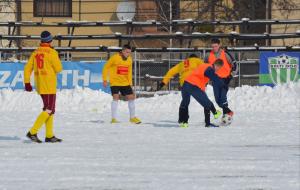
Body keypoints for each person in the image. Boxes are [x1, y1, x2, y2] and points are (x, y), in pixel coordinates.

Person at [24, 31, 63, 143]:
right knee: (49, 109)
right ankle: (32, 132)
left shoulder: (35, 52)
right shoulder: (52, 52)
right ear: (50, 41)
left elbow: (27, 68)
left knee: (49, 109)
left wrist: (27, 82)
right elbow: (59, 68)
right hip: (49, 84)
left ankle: (49, 135)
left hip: (40, 84)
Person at [179, 59, 226, 128]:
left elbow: (201, 78)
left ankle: (184, 123)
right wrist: (222, 83)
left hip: (186, 84)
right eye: (219, 69)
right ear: (217, 66)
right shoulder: (210, 68)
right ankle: (213, 116)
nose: (218, 70)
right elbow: (213, 76)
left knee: (185, 103)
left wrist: (203, 92)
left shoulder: (204, 66)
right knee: (206, 103)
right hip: (193, 85)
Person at [102, 44, 141, 124]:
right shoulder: (115, 58)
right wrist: (105, 79)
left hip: (125, 83)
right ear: (122, 51)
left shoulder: (129, 59)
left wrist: (130, 83)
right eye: (127, 52)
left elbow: (129, 72)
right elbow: (106, 67)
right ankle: (113, 119)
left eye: (129, 52)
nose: (128, 54)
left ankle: (132, 117)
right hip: (115, 82)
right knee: (115, 97)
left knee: (131, 98)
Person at [204, 38, 236, 119]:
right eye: (213, 46)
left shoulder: (225, 54)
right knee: (218, 101)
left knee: (222, 98)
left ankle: (226, 115)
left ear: (219, 45)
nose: (214, 48)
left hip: (225, 79)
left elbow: (235, 65)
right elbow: (204, 68)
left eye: (216, 46)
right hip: (215, 80)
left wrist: (231, 76)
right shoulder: (208, 55)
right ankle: (229, 112)